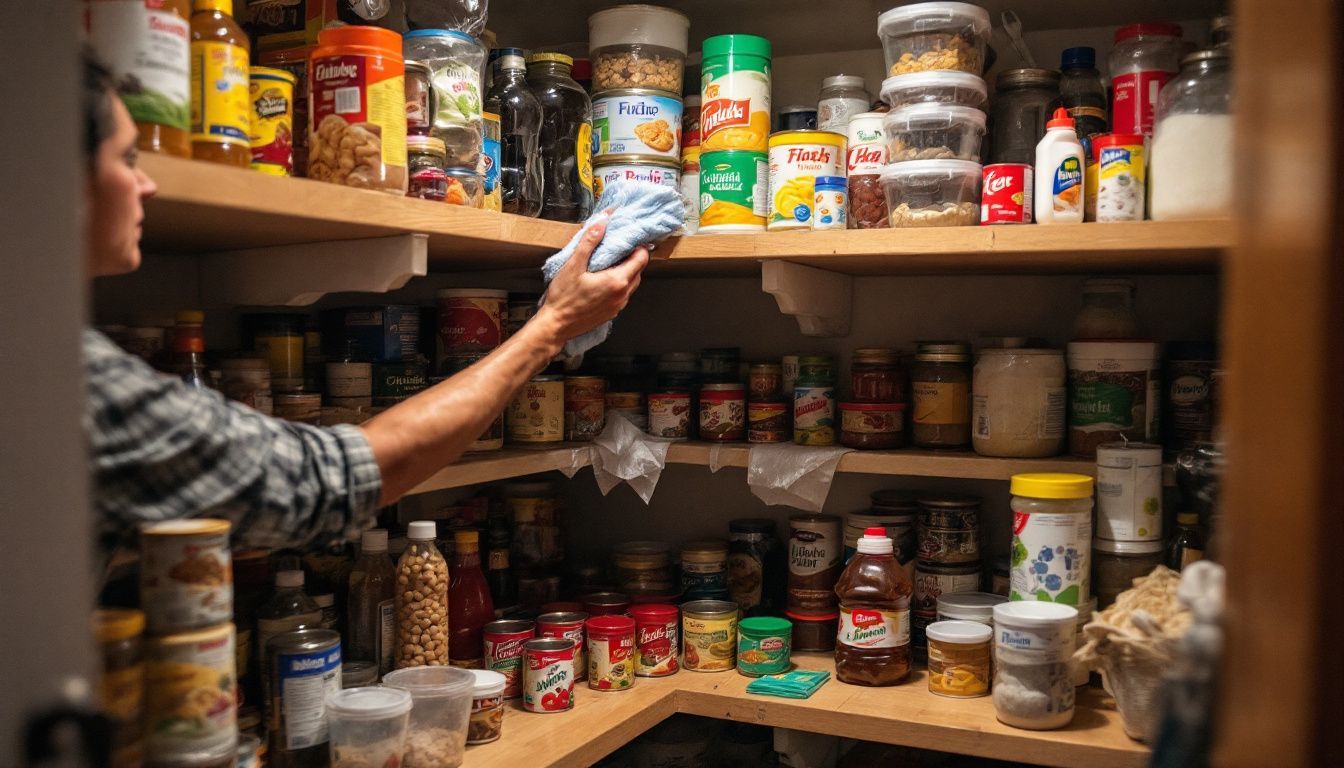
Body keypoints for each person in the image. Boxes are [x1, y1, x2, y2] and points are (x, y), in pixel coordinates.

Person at [81, 53, 649, 552]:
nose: (147, 183)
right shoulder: (77, 381)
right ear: (59, 179)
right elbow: (326, 480)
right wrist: (551, 326)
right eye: (127, 159)